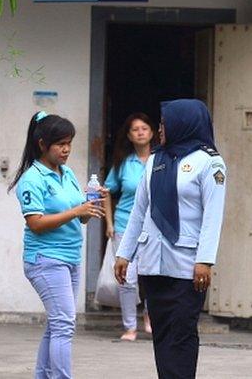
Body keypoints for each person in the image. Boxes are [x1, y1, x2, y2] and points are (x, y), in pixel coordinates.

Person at [114, 99, 227, 379]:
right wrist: (124, 254)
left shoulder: (209, 162)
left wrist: (205, 260)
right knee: (162, 335)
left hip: (188, 266)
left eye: (164, 123)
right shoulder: (156, 160)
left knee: (181, 333)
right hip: (153, 263)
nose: (160, 129)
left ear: (184, 124)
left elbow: (213, 216)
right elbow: (139, 211)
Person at [10, 111, 104, 379]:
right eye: (60, 144)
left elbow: (82, 219)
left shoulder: (68, 173)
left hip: (70, 258)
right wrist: (76, 211)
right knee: (64, 324)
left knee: (57, 324)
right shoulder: (32, 179)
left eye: (69, 143)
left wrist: (90, 205)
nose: (66, 149)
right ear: (42, 144)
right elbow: (36, 223)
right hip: (45, 259)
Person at [102, 113, 156, 340]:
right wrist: (109, 223)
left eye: (145, 128)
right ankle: (130, 326)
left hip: (155, 227)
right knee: (127, 277)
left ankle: (150, 316)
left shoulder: (162, 160)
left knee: (154, 276)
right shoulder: (124, 164)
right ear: (129, 136)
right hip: (125, 226)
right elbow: (106, 191)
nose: (141, 132)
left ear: (153, 132)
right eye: (135, 129)